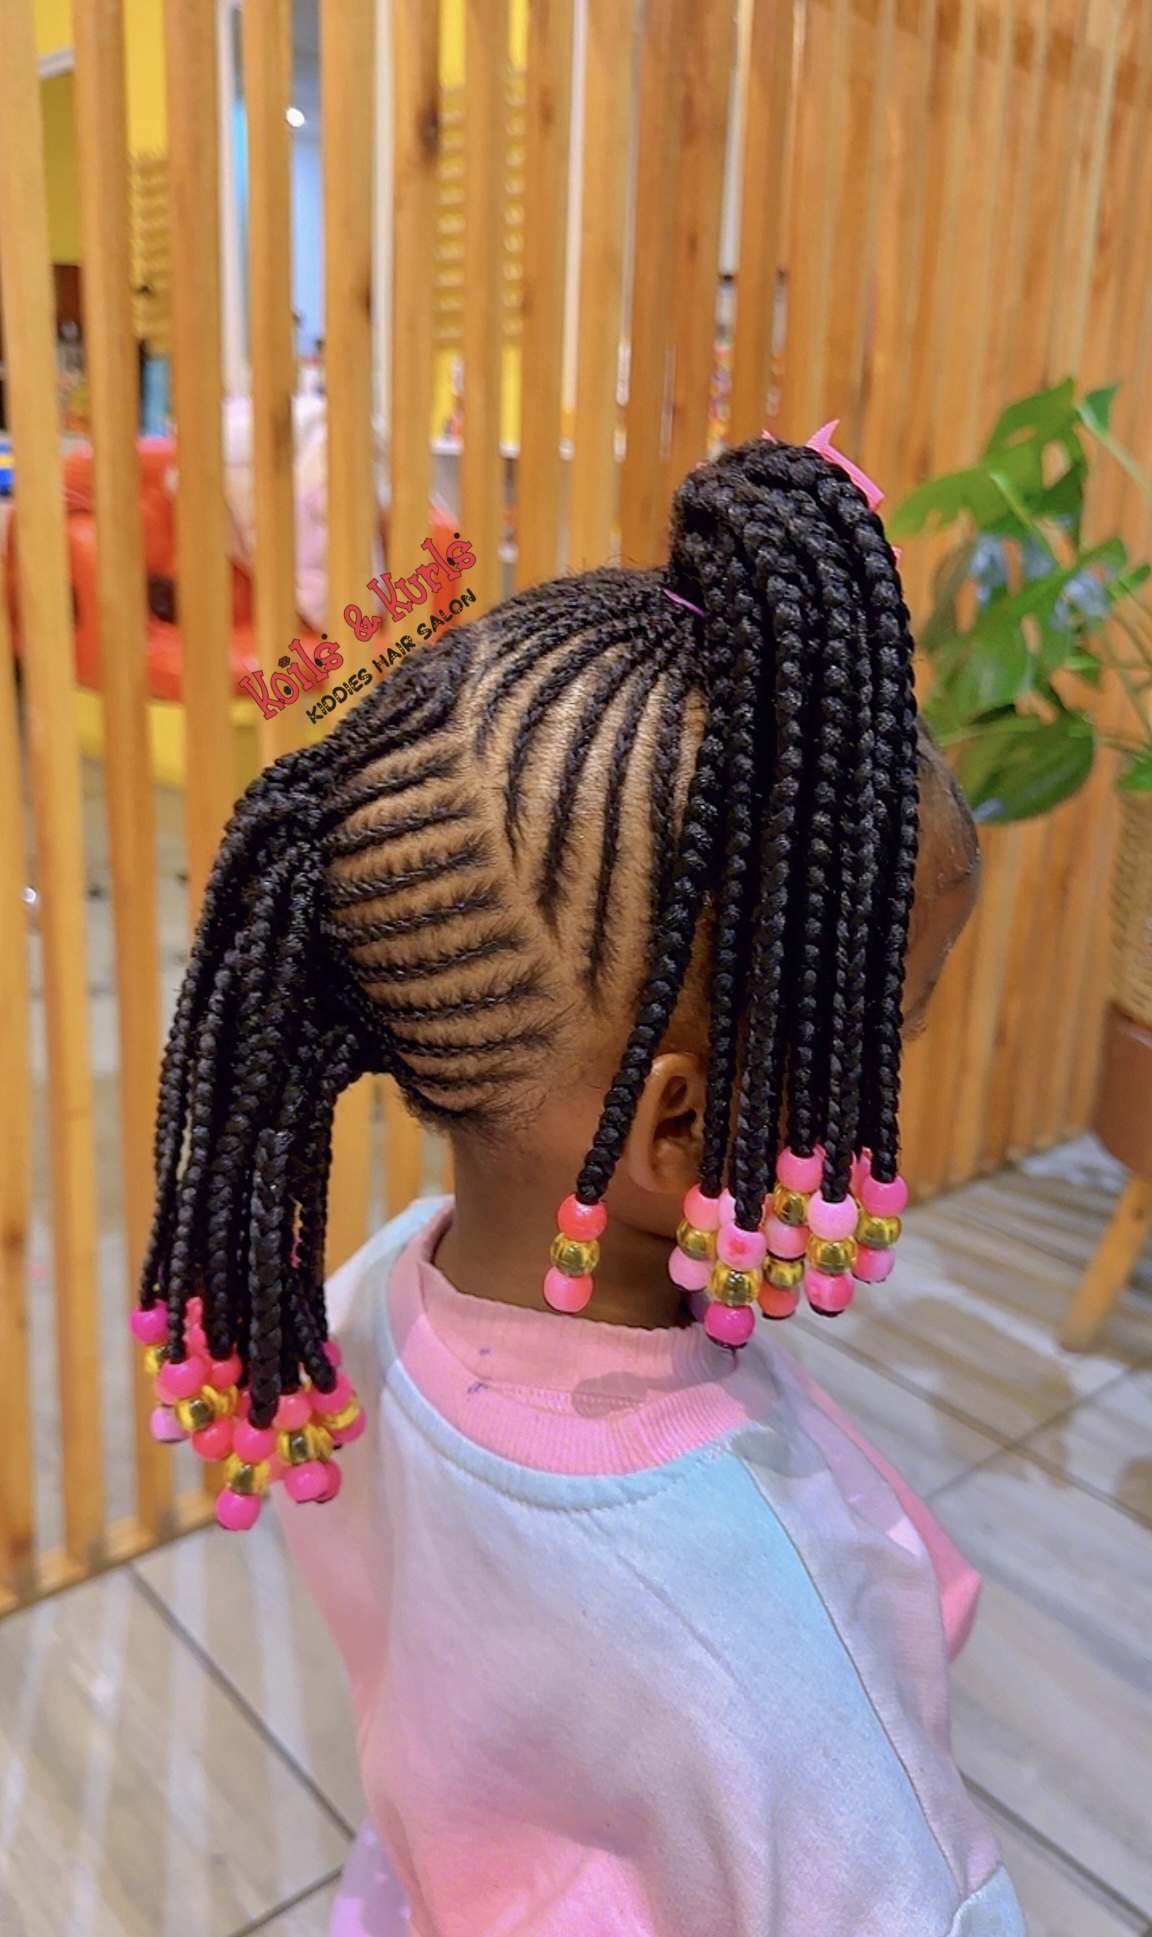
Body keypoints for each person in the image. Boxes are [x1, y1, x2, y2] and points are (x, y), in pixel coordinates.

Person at [132, 434, 1026, 1936]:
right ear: (678, 1131)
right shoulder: (760, 1655)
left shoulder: (369, 1306)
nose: (885, 1095)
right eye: (877, 1044)